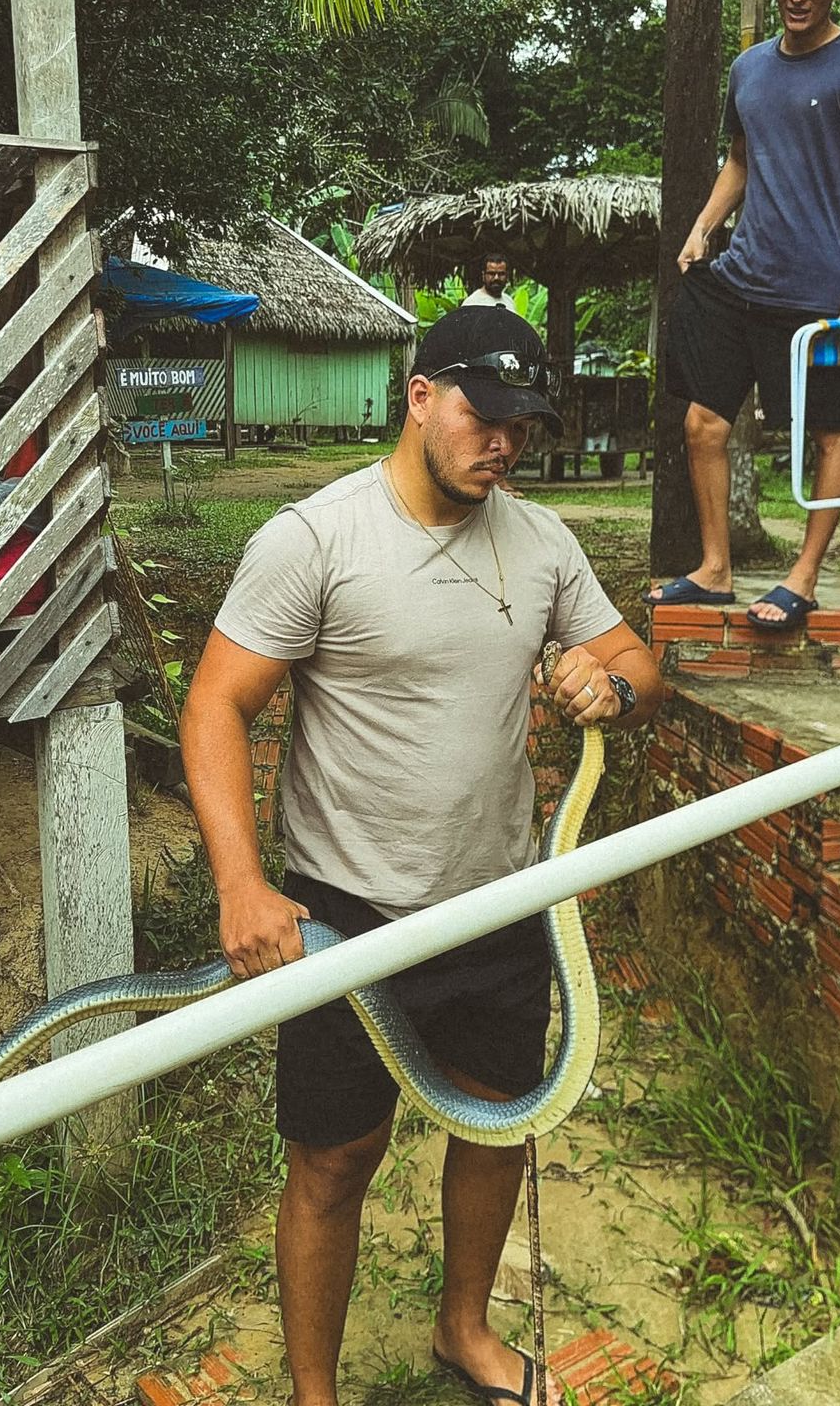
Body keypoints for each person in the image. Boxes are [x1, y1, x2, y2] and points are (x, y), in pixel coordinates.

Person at [181, 305, 662, 1406]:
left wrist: (613, 686)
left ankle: (463, 1329)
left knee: (497, 1121)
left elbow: (637, 660)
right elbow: (216, 704)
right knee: (334, 1158)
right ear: (420, 397)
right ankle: (314, 1393)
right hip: (346, 917)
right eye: (483, 416)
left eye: (522, 426)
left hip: (499, 900)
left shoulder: (542, 543)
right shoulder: (315, 539)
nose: (503, 443)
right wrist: (241, 885)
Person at [646, 0, 840, 629]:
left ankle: (804, 577)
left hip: (819, 291)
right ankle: (715, 569)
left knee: (831, 433)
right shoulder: (749, 69)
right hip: (742, 276)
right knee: (702, 423)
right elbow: (740, 159)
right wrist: (703, 228)